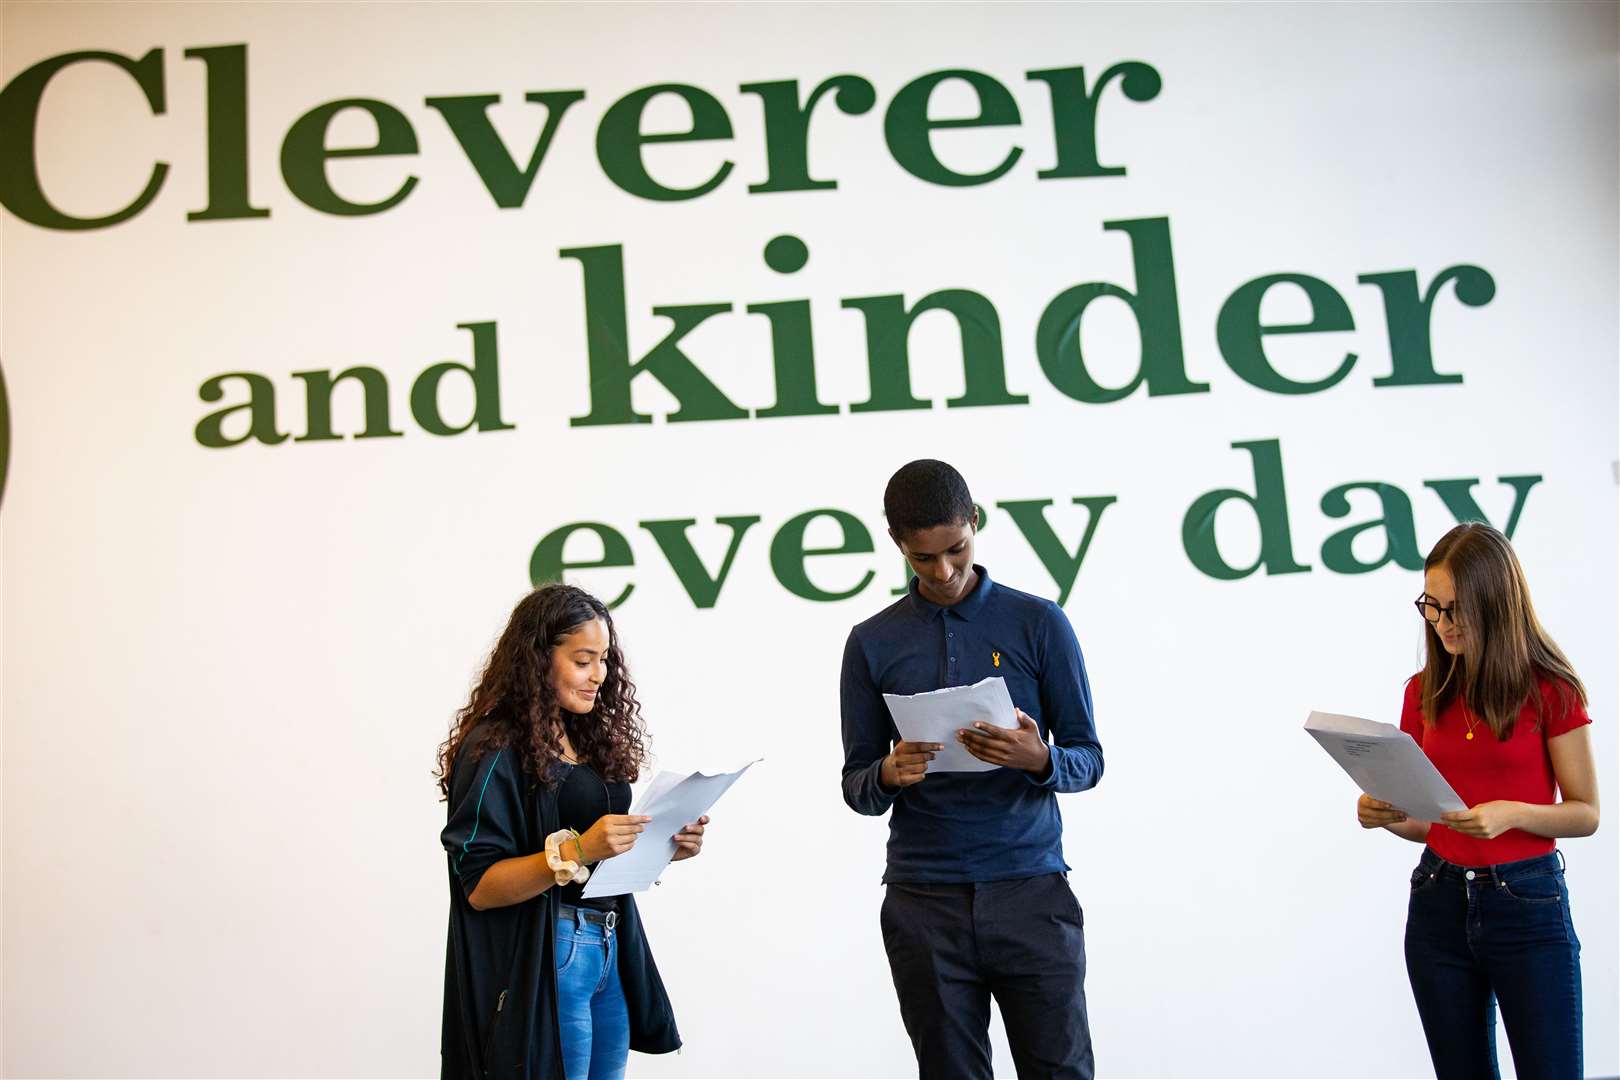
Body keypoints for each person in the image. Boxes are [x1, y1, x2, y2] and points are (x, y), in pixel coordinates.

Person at [840, 459, 1104, 1080]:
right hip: (922, 901)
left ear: (975, 522)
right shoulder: (871, 642)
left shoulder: (1039, 623)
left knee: (1061, 1070)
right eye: (923, 559)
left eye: (956, 549)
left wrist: (1038, 758)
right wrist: (888, 773)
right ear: (899, 547)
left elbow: (1088, 760)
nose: (944, 572)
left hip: (1031, 891)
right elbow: (856, 785)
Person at [436, 583, 708, 1079]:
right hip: (550, 955)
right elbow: (478, 885)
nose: (599, 676)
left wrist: (663, 847)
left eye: (604, 660)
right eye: (583, 660)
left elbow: (599, 860)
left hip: (609, 947)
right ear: (539, 659)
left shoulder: (587, 736)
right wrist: (579, 849)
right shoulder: (494, 747)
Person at [1358, 522, 1599, 1080]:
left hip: (1528, 907)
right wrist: (1384, 814)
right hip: (1438, 901)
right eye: (1432, 606)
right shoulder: (1422, 693)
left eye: (1457, 609)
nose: (1442, 623)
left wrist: (1510, 813)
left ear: (1497, 603)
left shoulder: (1551, 688)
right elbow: (1431, 822)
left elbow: (1585, 812)